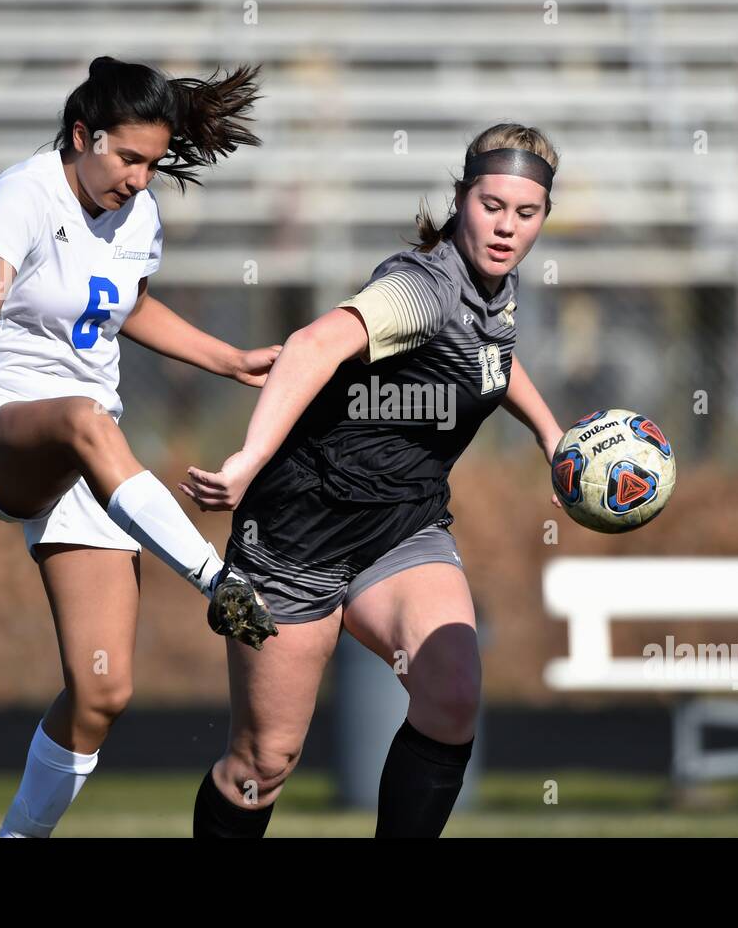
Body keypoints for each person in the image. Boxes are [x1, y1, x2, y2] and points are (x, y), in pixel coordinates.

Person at [182, 123, 565, 837]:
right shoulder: (423, 287)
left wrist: (551, 434)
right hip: (299, 532)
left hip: (401, 527)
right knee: (263, 761)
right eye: (491, 204)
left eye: (526, 212)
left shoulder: (495, 287)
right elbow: (316, 342)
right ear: (460, 198)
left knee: (451, 694)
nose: (506, 226)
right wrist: (248, 456)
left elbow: (492, 360)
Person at [0, 56, 276, 838]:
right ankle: (213, 579)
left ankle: (15, 837)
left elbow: (123, 307)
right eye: (128, 158)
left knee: (102, 693)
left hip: (91, 460)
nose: (140, 178)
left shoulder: (138, 215)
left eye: (153, 163)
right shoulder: (22, 195)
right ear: (82, 135)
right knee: (90, 418)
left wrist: (228, 359)